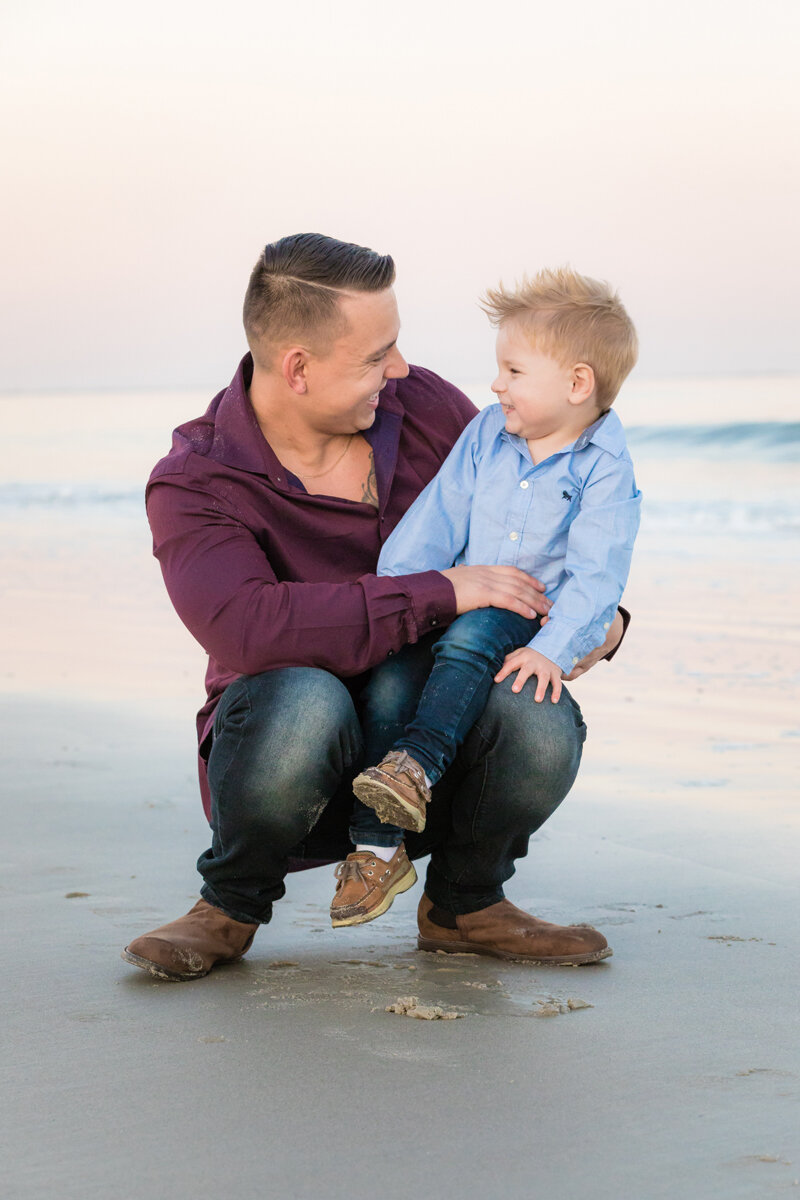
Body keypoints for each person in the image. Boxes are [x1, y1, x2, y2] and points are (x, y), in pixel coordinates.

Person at [121, 234, 627, 983]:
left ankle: (465, 905)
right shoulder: (197, 481)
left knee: (535, 711)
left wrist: (603, 624)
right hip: (286, 756)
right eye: (375, 355)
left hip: (433, 740)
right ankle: (227, 904)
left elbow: (531, 526)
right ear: (297, 367)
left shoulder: (420, 407)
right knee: (304, 697)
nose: (399, 369)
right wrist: (441, 591)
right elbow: (248, 629)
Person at [336, 268, 640, 927]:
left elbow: (598, 577)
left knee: (475, 639)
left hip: (529, 621)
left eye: (513, 370)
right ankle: (372, 850)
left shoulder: (605, 468)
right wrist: (401, 597)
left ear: (577, 383)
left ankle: (416, 765)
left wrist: (556, 652)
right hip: (463, 600)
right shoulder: (485, 434)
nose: (497, 383)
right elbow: (438, 517)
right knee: (392, 683)